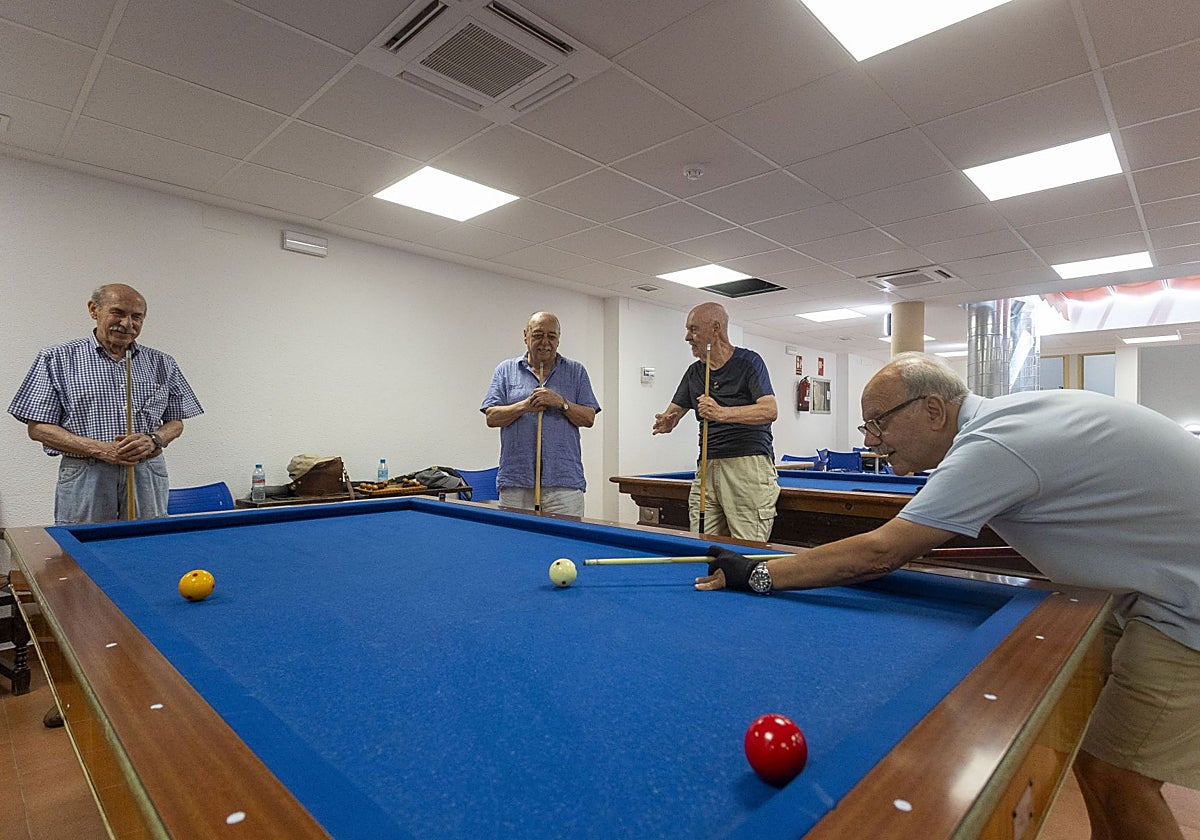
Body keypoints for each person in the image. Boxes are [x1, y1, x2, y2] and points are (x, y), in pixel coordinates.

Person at [700, 351, 1200, 840]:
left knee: (1117, 777)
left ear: (934, 410)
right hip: (1153, 593)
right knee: (1099, 766)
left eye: (878, 424)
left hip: (1185, 605)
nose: (871, 441)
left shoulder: (992, 443)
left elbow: (883, 552)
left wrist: (757, 573)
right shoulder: (1005, 423)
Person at [9, 283, 203, 727]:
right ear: (94, 309)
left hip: (146, 473)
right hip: (86, 474)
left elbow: (177, 421)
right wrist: (100, 449)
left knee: (147, 571)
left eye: (137, 317)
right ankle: (78, 689)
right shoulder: (57, 358)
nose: (127, 324)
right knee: (80, 581)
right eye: (119, 313)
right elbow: (38, 427)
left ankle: (145, 677)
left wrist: (155, 438)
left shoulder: (160, 362)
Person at [652, 302, 779, 541]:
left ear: (715, 328)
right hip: (707, 466)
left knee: (745, 548)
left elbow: (769, 410)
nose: (687, 337)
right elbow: (674, 411)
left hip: (747, 466)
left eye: (693, 329)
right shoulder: (695, 372)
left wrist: (722, 413)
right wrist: (668, 421)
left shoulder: (749, 362)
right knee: (702, 542)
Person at [481, 312, 599, 517]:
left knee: (564, 537)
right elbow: (491, 417)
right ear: (525, 335)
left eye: (551, 336)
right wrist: (525, 406)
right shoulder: (506, 370)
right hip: (516, 481)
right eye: (538, 335)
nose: (545, 342)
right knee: (516, 536)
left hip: (564, 482)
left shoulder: (576, 371)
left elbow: (589, 418)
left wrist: (561, 403)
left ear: (558, 339)